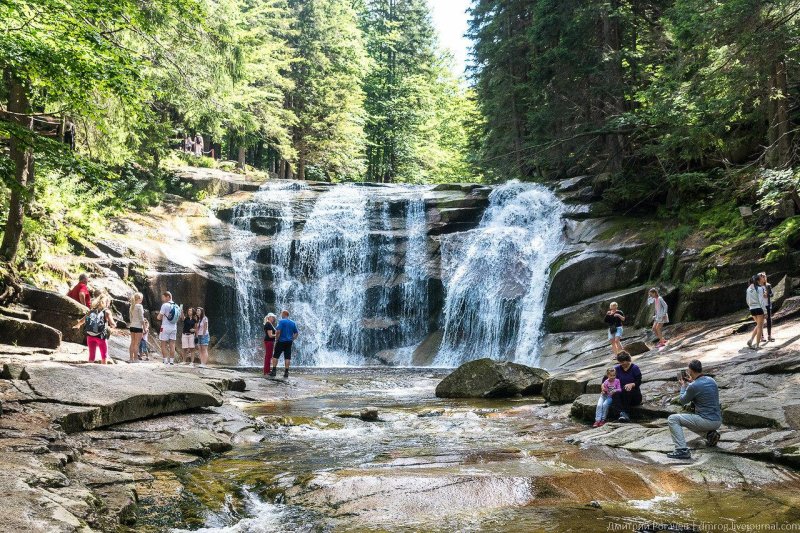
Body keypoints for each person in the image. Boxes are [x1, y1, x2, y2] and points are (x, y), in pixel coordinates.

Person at [666, 359, 721, 460]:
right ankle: (709, 435)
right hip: (717, 421)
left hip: (706, 421)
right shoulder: (711, 380)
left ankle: (681, 450)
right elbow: (702, 388)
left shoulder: (693, 386)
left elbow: (683, 400)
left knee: (673, 419)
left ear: (690, 371)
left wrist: (683, 386)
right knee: (691, 420)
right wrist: (692, 382)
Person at [74, 294, 115, 364]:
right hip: (101, 337)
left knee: (91, 355)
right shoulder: (107, 312)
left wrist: (77, 325)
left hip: (90, 336)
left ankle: (90, 367)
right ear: (107, 303)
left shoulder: (91, 311)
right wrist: (113, 325)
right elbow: (112, 323)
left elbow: (82, 321)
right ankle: (104, 368)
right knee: (104, 355)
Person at [612, 351, 642, 422]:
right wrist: (604, 387)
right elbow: (606, 378)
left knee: (627, 389)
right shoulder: (617, 369)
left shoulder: (635, 368)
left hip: (634, 396)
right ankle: (622, 414)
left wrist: (632, 384)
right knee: (614, 392)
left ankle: (626, 413)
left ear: (628, 360)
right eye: (620, 362)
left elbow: (639, 381)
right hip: (622, 395)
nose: (622, 364)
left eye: (623, 362)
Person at [270, 310, 299, 378]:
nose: (281, 315)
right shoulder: (293, 323)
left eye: (281, 314)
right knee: (287, 357)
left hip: (281, 341)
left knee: (276, 356)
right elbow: (296, 333)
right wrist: (292, 339)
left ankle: (274, 371)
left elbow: (278, 331)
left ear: (284, 314)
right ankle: (286, 372)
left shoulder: (281, 321)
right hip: (289, 342)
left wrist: (277, 339)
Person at [157, 291, 181, 365]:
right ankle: (171, 361)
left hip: (165, 327)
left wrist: (157, 316)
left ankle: (165, 360)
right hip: (174, 327)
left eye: (163, 297)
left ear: (168, 296)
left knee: (163, 344)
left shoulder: (165, 305)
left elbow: (159, 317)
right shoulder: (177, 306)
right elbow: (179, 318)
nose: (162, 299)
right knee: (172, 344)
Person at [746, 274, 766, 349]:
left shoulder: (748, 289)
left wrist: (751, 307)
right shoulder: (759, 289)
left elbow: (747, 300)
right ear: (757, 281)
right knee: (760, 326)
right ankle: (757, 345)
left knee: (758, 325)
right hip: (759, 309)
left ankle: (751, 340)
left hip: (752, 309)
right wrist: (765, 311)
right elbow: (761, 301)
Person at [128, 292, 145, 363]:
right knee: (137, 344)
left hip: (132, 326)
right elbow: (141, 318)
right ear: (139, 298)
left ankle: (131, 358)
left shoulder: (132, 306)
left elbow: (130, 318)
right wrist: (144, 327)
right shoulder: (139, 306)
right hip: (138, 327)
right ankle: (135, 359)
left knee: (132, 342)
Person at [762, 272, 775, 342]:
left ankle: (769, 335)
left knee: (769, 320)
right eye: (763, 277)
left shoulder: (768, 285)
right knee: (761, 321)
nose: (764, 278)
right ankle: (762, 336)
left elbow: (772, 294)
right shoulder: (757, 287)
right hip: (760, 306)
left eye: (765, 277)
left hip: (768, 305)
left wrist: (768, 295)